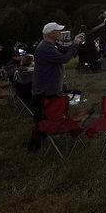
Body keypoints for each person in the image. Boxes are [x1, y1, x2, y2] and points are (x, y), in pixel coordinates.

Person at [27, 22, 83, 152]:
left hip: (50, 88)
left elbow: (65, 50)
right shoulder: (45, 48)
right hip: (44, 91)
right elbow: (64, 58)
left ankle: (41, 142)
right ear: (51, 34)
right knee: (41, 119)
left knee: (48, 116)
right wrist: (75, 44)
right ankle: (34, 147)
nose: (60, 33)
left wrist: (75, 43)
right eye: (57, 31)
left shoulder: (53, 44)